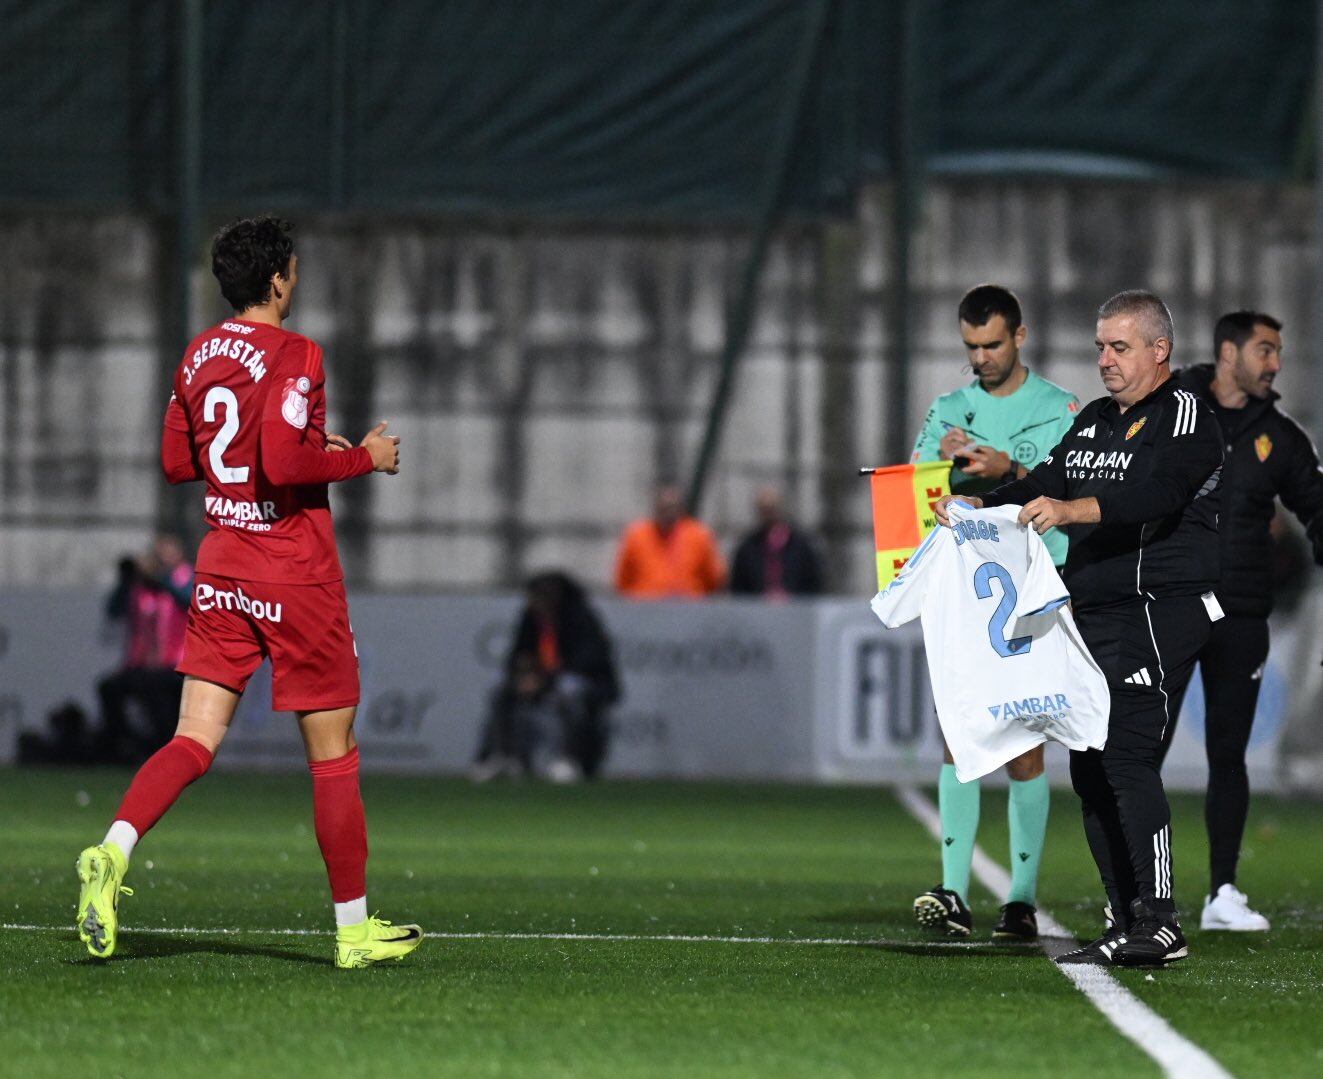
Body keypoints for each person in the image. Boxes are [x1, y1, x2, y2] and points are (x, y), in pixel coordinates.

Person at [74, 215, 419, 969]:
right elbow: (282, 464)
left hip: (223, 569)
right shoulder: (297, 353)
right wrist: (363, 457)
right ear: (277, 280)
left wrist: (298, 450)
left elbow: (179, 461)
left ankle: (113, 849)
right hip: (293, 573)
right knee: (333, 753)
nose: (296, 279)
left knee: (192, 739)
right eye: (293, 269)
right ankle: (354, 932)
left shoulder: (198, 354)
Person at [942, 290, 1224, 966]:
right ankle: (1125, 916)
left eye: (1119, 347)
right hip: (1093, 610)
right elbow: (1045, 480)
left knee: (1124, 755)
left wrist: (1072, 511)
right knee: (1090, 764)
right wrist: (980, 503)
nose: (1104, 360)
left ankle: (1160, 920)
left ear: (1159, 349)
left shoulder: (1186, 415)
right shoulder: (1095, 419)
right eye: (1100, 347)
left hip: (1158, 606)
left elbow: (1158, 494)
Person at [910, 284, 1080, 942]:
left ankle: (1020, 900)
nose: (980, 357)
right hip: (966, 593)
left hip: (1033, 589)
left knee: (1025, 745)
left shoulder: (1058, 408)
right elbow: (914, 491)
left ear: (1019, 337)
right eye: (970, 346)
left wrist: (1003, 467)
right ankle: (952, 890)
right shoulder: (947, 410)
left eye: (991, 344)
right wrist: (940, 476)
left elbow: (1070, 486)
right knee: (957, 733)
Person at [1163, 311, 1323, 931]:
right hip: (1169, 608)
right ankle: (1133, 890)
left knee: (1229, 755)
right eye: (1265, 350)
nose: (1275, 363)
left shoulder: (1279, 436)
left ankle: (1222, 894)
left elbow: (1316, 509)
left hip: (1240, 617)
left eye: (1277, 351)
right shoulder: (1171, 409)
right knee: (1140, 751)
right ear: (1229, 353)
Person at [471, 571, 621, 782]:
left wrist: (545, 679)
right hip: (540, 680)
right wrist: (524, 675)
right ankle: (503, 755)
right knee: (502, 693)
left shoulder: (580, 617)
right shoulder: (530, 619)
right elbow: (517, 655)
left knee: (569, 691)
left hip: (580, 682)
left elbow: (587, 661)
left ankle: (568, 758)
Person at [97, 535, 193, 763]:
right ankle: (123, 745)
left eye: (166, 554)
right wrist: (125, 581)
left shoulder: (185, 578)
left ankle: (164, 750)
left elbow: (189, 600)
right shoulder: (141, 588)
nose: (160, 560)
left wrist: (162, 580)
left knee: (156, 694)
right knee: (110, 689)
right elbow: (113, 610)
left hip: (176, 664)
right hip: (141, 665)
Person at [614, 483, 725, 598]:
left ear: (680, 509)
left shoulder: (699, 536)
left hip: (690, 606)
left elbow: (714, 579)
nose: (668, 513)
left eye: (672, 508)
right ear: (656, 508)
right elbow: (622, 581)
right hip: (645, 606)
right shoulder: (636, 536)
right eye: (663, 508)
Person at [729, 486, 825, 597]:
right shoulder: (746, 549)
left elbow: (814, 584)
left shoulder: (802, 547)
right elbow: (738, 589)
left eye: (771, 509)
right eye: (764, 510)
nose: (768, 515)